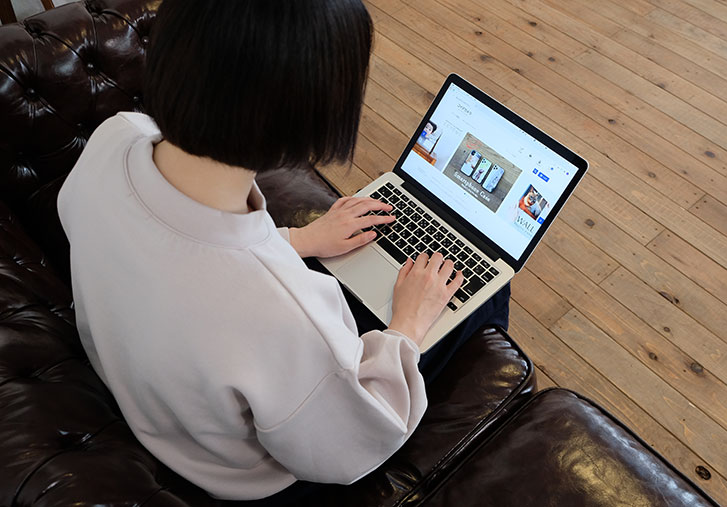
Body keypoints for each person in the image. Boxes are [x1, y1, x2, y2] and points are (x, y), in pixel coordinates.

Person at [57, 0, 509, 503]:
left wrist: (299, 240)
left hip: (148, 392)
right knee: (485, 295)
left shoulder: (117, 135)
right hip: (235, 475)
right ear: (311, 115)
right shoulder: (280, 317)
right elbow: (351, 442)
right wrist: (408, 325)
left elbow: (184, 248)